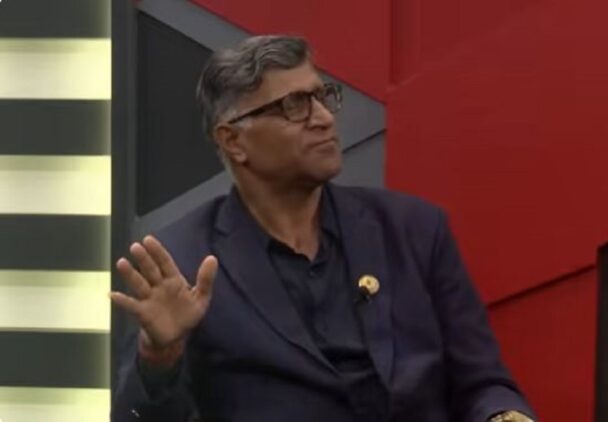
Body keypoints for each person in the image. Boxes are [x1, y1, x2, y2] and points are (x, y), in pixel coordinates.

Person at [110, 35, 535, 422]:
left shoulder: (414, 231)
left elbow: (482, 382)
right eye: (294, 106)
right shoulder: (184, 262)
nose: (323, 119)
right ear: (233, 140)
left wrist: (504, 416)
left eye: (322, 97)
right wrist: (160, 356)